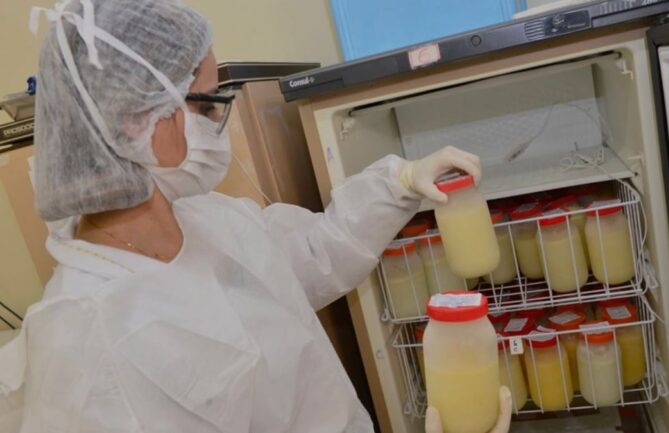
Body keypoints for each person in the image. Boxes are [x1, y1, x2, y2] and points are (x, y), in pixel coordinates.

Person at [0, 0, 512, 432]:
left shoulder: (208, 221)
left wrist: (398, 182)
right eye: (208, 105)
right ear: (138, 121)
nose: (217, 124)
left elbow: (315, 252)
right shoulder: (87, 351)